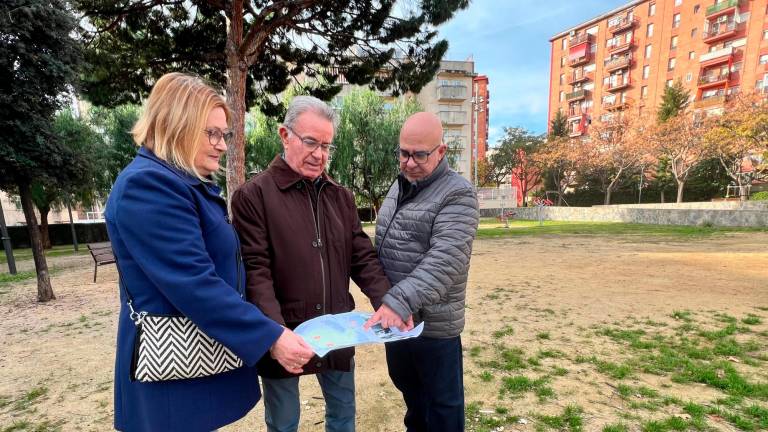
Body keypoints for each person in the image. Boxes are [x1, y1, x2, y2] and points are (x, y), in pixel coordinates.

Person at [105, 72, 314, 432]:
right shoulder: (149, 185)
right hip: (171, 380)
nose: (221, 145)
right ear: (176, 126)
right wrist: (271, 336)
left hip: (190, 367)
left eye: (224, 134)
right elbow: (195, 283)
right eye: (212, 133)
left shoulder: (181, 183)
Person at [230, 95, 408, 432]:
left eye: (327, 145)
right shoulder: (254, 196)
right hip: (285, 334)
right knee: (284, 424)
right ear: (285, 135)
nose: (319, 154)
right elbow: (256, 272)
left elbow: (362, 256)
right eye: (311, 142)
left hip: (337, 330)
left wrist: (388, 301)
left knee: (343, 417)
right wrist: (274, 334)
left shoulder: (340, 197)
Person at [366, 112, 479, 432]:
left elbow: (445, 261)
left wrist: (396, 302)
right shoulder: (399, 186)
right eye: (404, 153)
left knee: (443, 407)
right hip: (398, 321)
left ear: (441, 152)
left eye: (420, 154)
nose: (409, 162)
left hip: (433, 325)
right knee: (413, 398)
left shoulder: (457, 193)